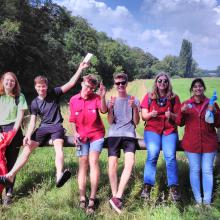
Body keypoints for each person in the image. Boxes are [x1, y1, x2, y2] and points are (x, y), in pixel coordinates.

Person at [0, 62, 89, 190]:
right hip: (42, 128)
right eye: (39, 86)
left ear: (47, 86)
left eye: (43, 86)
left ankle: (59, 175)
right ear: (35, 87)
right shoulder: (35, 103)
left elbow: (70, 83)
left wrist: (80, 69)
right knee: (27, 150)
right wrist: (28, 135)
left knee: (58, 147)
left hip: (57, 126)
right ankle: (9, 175)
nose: (42, 89)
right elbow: (32, 121)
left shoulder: (54, 93)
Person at [69, 74, 107, 214]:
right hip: (82, 137)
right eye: (86, 86)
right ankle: (82, 198)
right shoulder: (73, 100)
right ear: (81, 83)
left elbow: (103, 110)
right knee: (83, 163)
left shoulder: (96, 98)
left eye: (92, 88)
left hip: (96, 134)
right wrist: (74, 133)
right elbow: (72, 119)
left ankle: (92, 198)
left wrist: (102, 96)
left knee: (93, 161)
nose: (88, 89)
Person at [140, 72, 181, 202]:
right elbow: (143, 116)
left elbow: (180, 119)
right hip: (153, 129)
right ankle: (147, 187)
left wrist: (172, 116)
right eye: (160, 81)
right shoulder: (149, 97)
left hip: (169, 130)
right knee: (153, 153)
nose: (162, 83)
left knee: (170, 156)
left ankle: (174, 188)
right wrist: (151, 114)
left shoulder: (174, 98)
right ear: (156, 83)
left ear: (168, 83)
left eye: (165, 81)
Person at [180, 78, 220, 206]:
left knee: (207, 171)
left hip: (209, 144)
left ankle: (207, 202)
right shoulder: (186, 104)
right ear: (192, 89)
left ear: (204, 88)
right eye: (195, 86)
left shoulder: (211, 103)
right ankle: (198, 200)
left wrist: (214, 111)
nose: (198, 88)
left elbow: (218, 123)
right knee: (195, 170)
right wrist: (181, 111)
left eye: (200, 86)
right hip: (191, 144)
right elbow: (179, 123)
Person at [107, 73, 140, 214]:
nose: (120, 85)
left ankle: (118, 196)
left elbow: (137, 122)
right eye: (117, 83)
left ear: (127, 83)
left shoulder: (134, 99)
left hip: (129, 134)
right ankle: (115, 196)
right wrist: (110, 108)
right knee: (112, 164)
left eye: (123, 82)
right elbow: (109, 121)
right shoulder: (112, 100)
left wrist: (135, 108)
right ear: (115, 85)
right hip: (114, 134)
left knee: (130, 163)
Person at [0, 72, 28, 205]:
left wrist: (12, 133)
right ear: (3, 80)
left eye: (13, 81)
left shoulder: (19, 96)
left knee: (12, 164)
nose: (10, 83)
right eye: (7, 80)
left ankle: (9, 194)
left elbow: (20, 117)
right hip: (0, 131)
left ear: (15, 83)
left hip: (14, 132)